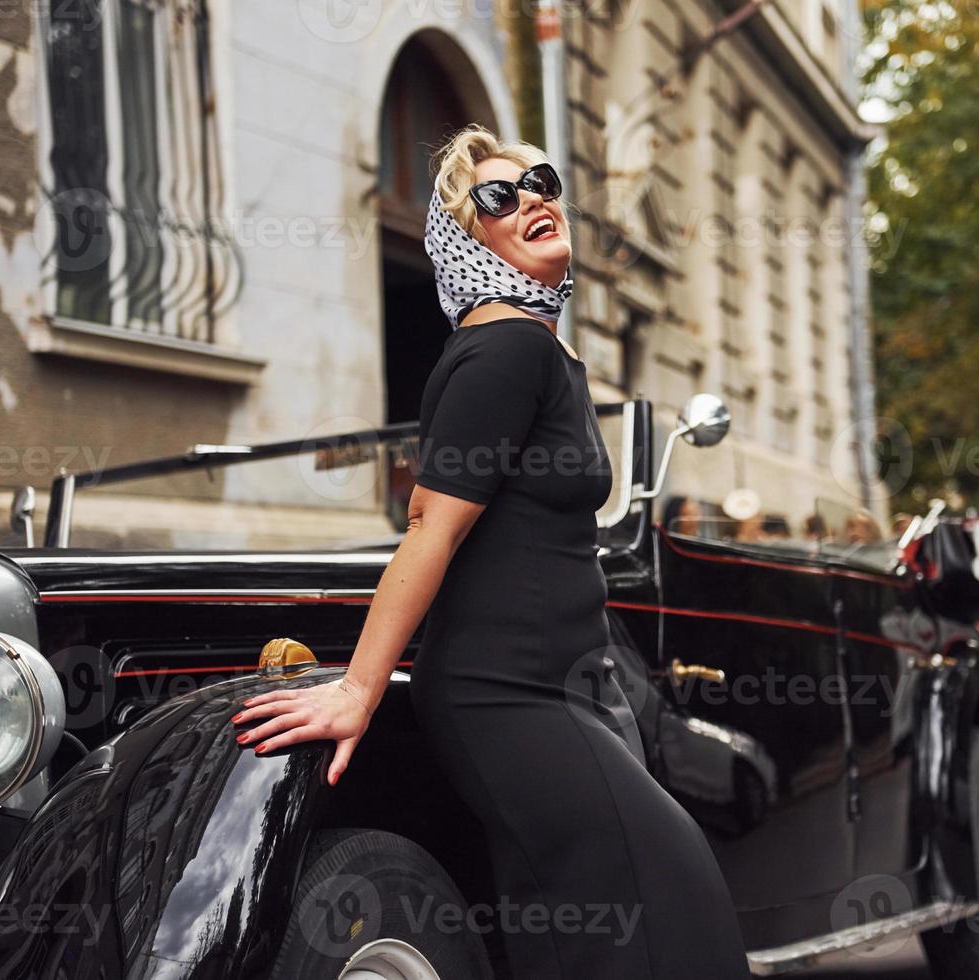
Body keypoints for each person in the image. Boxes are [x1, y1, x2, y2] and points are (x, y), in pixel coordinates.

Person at [231, 124, 749, 979]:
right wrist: (358, 689)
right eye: (498, 198)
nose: (533, 198)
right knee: (671, 897)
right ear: (469, 242)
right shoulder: (503, 347)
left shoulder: (544, 350)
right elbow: (429, 526)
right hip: (504, 698)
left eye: (539, 181)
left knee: (571, 936)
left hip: (557, 691)